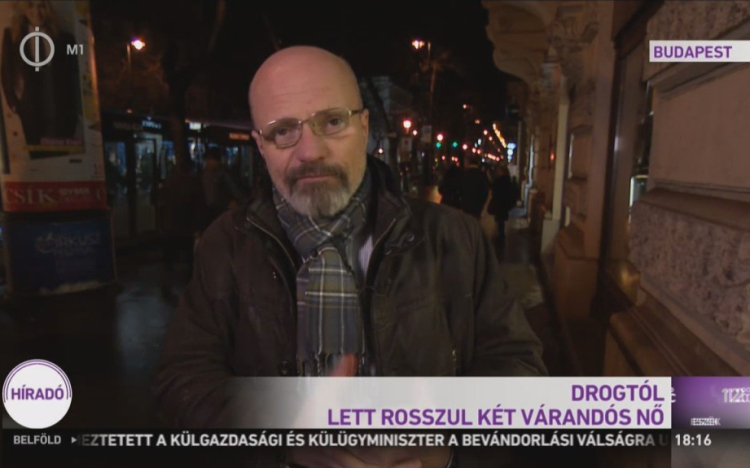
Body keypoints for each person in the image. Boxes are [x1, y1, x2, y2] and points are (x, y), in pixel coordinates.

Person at [153, 46, 546, 467]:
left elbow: (520, 371)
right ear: (261, 146)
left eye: (332, 121)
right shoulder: (227, 244)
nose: (310, 151)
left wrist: (443, 445)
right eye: (283, 130)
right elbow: (181, 385)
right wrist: (284, 436)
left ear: (364, 126)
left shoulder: (453, 237)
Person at [0, 1, 82, 159]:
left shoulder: (65, 39)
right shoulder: (12, 36)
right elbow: (6, 73)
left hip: (60, 115)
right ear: (24, 9)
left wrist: (75, 111)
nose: (37, 12)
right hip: (30, 113)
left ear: (48, 9)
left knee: (61, 161)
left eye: (41, 6)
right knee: (37, 160)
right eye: (31, 6)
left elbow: (74, 75)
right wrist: (14, 104)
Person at [201, 146, 250, 227]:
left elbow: (234, 189)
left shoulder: (222, 172)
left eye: (209, 160)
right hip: (211, 210)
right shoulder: (205, 174)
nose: (207, 163)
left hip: (220, 209)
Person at [455, 154, 489, 219]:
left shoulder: (464, 174)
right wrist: (481, 203)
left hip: (465, 204)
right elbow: (485, 192)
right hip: (477, 205)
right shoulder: (481, 175)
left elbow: (459, 188)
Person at [488, 164, 514, 246]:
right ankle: (500, 236)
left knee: (500, 221)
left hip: (499, 203)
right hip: (504, 204)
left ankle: (500, 237)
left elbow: (495, 190)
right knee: (500, 221)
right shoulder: (507, 181)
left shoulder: (499, 181)